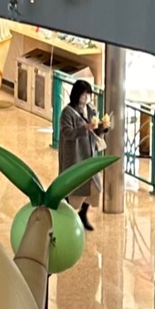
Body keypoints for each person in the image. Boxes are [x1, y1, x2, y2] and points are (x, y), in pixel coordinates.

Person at [57, 78, 105, 230]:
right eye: (84, 94)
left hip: (89, 155)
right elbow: (67, 133)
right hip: (75, 156)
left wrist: (102, 128)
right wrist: (84, 128)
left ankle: (83, 213)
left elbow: (95, 130)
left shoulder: (90, 109)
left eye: (88, 94)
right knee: (73, 189)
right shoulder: (67, 113)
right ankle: (65, 218)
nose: (86, 98)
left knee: (95, 187)